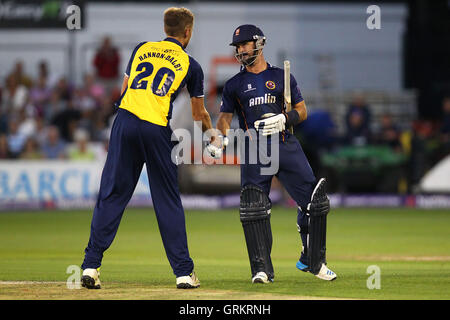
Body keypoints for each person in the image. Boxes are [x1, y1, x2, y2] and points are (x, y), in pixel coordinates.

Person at [80, 7, 216, 290]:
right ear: (188, 32)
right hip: (155, 128)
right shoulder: (191, 65)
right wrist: (212, 134)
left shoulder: (142, 49)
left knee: (113, 193)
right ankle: (183, 273)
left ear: (165, 28)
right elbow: (198, 113)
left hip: (125, 121)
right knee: (166, 198)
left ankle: (90, 266)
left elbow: (126, 88)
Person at [208, 24, 337, 283]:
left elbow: (302, 111)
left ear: (259, 44)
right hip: (254, 147)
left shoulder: (282, 77)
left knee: (315, 202)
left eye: (244, 44)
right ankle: (261, 269)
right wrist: (218, 138)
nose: (241, 50)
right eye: (237, 47)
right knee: (254, 208)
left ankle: (313, 260)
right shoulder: (234, 84)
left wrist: (284, 117)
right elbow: (224, 118)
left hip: (285, 142)